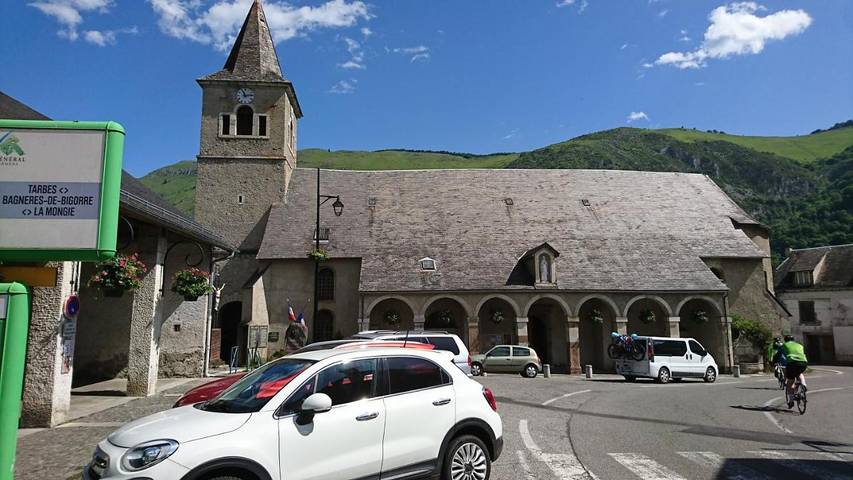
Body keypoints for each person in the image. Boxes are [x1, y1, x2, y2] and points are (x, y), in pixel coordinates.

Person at [780, 334, 808, 408]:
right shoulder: (799, 345)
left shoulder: (784, 345)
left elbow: (778, 355)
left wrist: (773, 361)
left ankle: (791, 401)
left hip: (792, 363)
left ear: (785, 340)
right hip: (803, 362)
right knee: (799, 373)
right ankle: (804, 384)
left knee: (790, 382)